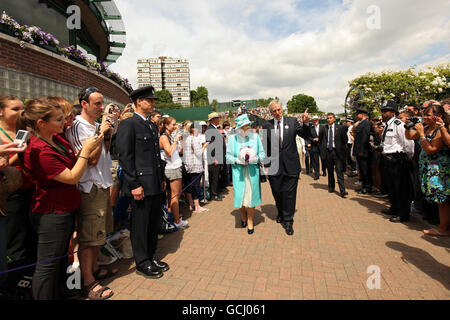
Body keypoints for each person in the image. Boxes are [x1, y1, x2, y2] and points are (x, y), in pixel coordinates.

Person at [18, 98, 103, 300]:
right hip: (51, 213)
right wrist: (86, 151)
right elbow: (72, 177)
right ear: (42, 123)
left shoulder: (56, 139)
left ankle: (60, 293)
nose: (64, 122)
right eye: (58, 119)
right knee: (46, 265)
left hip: (64, 209)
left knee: (58, 260)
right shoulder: (39, 151)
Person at [65, 88, 118, 298]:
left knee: (98, 236)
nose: (101, 107)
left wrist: (106, 135)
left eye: (102, 103)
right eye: (97, 103)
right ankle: (88, 281)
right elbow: (91, 159)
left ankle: (94, 269)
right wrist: (101, 133)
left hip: (102, 184)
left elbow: (104, 152)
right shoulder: (78, 126)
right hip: (89, 187)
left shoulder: (95, 125)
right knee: (88, 237)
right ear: (84, 104)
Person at [116, 85, 169, 279]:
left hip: (154, 183)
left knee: (153, 222)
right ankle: (142, 262)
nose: (153, 103)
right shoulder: (128, 124)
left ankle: (151, 255)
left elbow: (155, 157)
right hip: (140, 185)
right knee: (140, 224)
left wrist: (161, 179)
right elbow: (126, 157)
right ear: (139, 101)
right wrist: (133, 184)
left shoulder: (151, 125)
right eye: (150, 100)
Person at [262, 99, 310, 235]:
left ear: (282, 109)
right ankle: (281, 211)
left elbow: (306, 136)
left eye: (279, 110)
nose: (277, 113)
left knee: (289, 193)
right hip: (274, 166)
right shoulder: (267, 126)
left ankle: (288, 221)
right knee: (277, 191)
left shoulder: (292, 121)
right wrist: (266, 164)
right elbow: (265, 146)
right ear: (270, 113)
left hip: (291, 165)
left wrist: (306, 123)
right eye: (274, 111)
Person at [406, 103, 449, 236]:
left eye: (428, 115)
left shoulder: (440, 131)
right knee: (437, 199)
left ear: (439, 116)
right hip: (428, 168)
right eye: (424, 115)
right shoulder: (425, 128)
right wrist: (407, 127)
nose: (424, 118)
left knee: (443, 200)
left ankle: (443, 228)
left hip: (439, 169)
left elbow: (431, 150)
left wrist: (422, 135)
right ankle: (441, 224)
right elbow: (410, 137)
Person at [226, 114, 265, 234]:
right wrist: (237, 160)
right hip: (239, 173)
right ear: (239, 128)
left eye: (248, 126)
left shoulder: (256, 137)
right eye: (244, 126)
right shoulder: (232, 139)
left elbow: (262, 154)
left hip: (252, 172)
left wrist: (256, 159)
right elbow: (227, 156)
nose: (247, 128)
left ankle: (250, 220)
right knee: (241, 197)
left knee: (252, 197)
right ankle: (243, 216)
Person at [379, 100, 415, 223]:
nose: (383, 113)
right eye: (382, 111)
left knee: (401, 188)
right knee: (391, 187)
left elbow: (409, 143)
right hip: (387, 159)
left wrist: (408, 157)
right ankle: (394, 207)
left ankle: (403, 213)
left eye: (386, 111)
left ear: (393, 112)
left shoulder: (398, 124)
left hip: (397, 159)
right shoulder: (387, 125)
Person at [159, 116, 188, 229]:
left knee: (175, 194)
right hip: (172, 169)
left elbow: (179, 151)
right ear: (166, 125)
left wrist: (180, 141)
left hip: (176, 166)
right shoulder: (164, 137)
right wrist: (175, 140)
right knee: (175, 195)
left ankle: (171, 217)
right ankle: (176, 221)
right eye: (173, 124)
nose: (176, 126)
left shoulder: (170, 136)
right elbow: (169, 152)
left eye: (176, 124)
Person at [184, 122, 209, 213]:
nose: (199, 131)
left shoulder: (187, 139)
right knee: (195, 186)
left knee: (191, 186)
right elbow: (198, 153)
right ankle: (197, 206)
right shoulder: (194, 139)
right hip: (195, 166)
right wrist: (204, 146)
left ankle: (192, 204)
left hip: (189, 166)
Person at [323, 113, 348, 198]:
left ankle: (342, 190)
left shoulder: (340, 128)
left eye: (330, 118)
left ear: (334, 119)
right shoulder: (324, 128)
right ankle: (331, 186)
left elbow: (345, 140)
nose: (329, 119)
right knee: (330, 170)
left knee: (339, 171)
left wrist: (341, 149)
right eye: (327, 118)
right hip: (328, 152)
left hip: (337, 152)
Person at [206, 112, 226, 201]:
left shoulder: (213, 129)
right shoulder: (210, 130)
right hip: (215, 158)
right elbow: (210, 146)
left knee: (216, 176)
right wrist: (213, 158)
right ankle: (214, 194)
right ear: (213, 119)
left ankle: (215, 192)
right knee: (214, 176)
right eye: (217, 118)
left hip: (218, 157)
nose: (219, 119)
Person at [352, 105, 373, 194]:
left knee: (365, 170)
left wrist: (361, 151)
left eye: (358, 114)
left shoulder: (366, 124)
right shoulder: (361, 123)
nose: (357, 115)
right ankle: (364, 186)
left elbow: (364, 138)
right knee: (362, 169)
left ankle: (367, 187)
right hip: (359, 150)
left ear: (362, 114)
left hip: (363, 151)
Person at [309, 115, 326, 180]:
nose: (315, 121)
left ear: (318, 120)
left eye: (316, 120)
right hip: (314, 146)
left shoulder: (323, 127)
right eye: (314, 120)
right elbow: (309, 137)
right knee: (315, 161)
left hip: (322, 146)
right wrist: (313, 139)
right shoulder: (311, 128)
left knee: (323, 159)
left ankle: (324, 170)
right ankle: (317, 174)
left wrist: (320, 139)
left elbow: (325, 136)